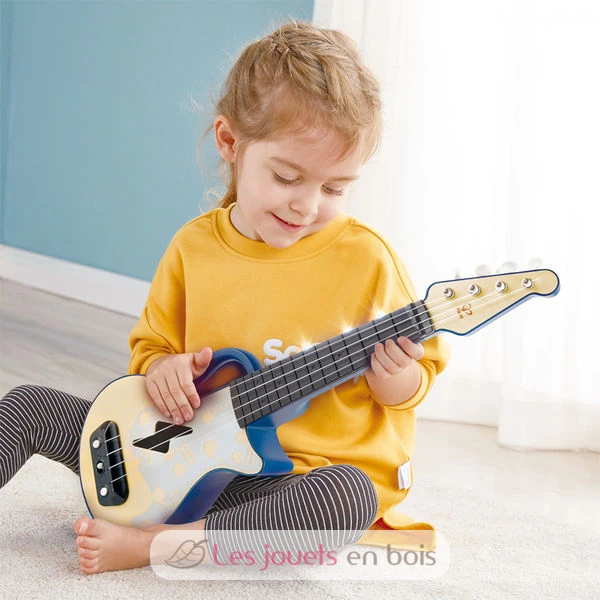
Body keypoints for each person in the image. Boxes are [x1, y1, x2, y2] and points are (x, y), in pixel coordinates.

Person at [0, 20, 449, 574]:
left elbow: (418, 377)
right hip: (174, 457)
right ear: (230, 142)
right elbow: (151, 349)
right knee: (29, 406)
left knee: (348, 496)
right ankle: (170, 524)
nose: (308, 205)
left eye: (334, 188)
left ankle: (161, 544)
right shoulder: (193, 247)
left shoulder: (368, 260)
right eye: (288, 177)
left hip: (282, 486)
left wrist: (395, 379)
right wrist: (162, 368)